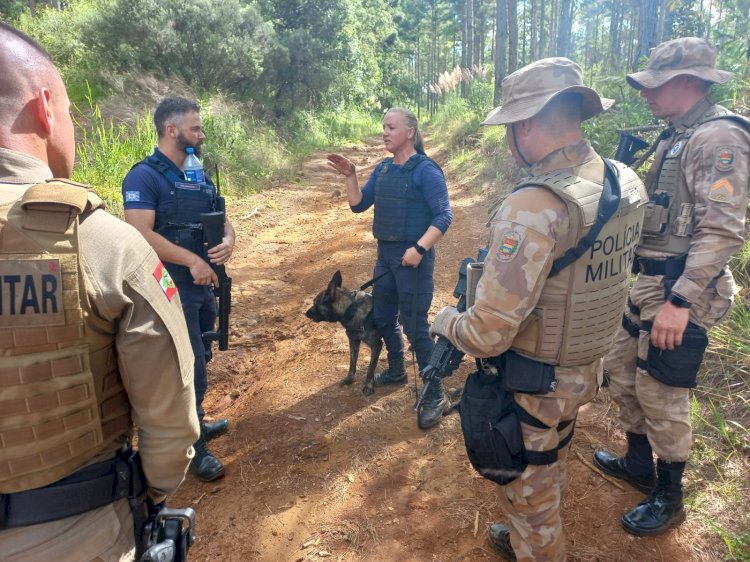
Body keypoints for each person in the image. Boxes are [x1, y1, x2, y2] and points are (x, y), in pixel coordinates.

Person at [429, 58, 647, 561]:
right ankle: (535, 524)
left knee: (529, 484)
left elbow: (487, 334)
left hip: (537, 381)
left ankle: (537, 540)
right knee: (553, 453)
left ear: (524, 124)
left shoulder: (534, 207)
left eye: (511, 126)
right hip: (586, 367)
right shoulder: (622, 178)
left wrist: (444, 321)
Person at [0, 23, 199, 561]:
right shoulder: (100, 243)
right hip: (71, 532)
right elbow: (169, 422)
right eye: (69, 111)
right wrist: (147, 493)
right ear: (44, 108)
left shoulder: (195, 172)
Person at [594, 37, 750, 536]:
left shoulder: (717, 137)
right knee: (621, 371)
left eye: (655, 85)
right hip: (649, 283)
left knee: (662, 391)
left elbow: (723, 229)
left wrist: (680, 301)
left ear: (688, 81)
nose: (646, 94)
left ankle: (670, 494)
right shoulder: (676, 134)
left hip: (683, 288)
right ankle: (639, 463)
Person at [122, 97, 236, 482]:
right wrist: (191, 261)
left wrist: (228, 240)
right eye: (195, 129)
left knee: (201, 355)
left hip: (202, 285)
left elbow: (221, 217)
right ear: (171, 130)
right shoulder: (144, 177)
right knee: (187, 368)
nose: (201, 135)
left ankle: (198, 424)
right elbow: (139, 232)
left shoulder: (195, 173)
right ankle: (193, 447)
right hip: (168, 288)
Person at [327, 107, 453, 429]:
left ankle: (436, 391)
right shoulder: (383, 170)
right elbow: (358, 205)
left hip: (414, 261)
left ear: (410, 132)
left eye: (391, 127)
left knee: (414, 326)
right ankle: (397, 369)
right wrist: (351, 175)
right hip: (386, 257)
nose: (384, 132)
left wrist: (420, 248)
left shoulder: (426, 171)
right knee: (383, 318)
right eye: (383, 126)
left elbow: (443, 216)